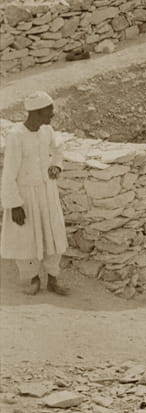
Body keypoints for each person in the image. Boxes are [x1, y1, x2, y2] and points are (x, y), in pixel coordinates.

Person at [1, 91, 70, 296]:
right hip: (25, 196)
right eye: (49, 111)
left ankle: (53, 278)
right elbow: (9, 173)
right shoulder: (16, 136)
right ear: (37, 113)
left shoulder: (47, 131)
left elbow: (58, 149)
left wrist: (56, 166)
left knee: (53, 233)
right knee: (27, 238)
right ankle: (31, 278)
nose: (53, 115)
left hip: (47, 193)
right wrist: (14, 205)